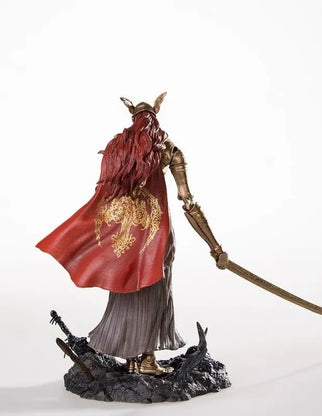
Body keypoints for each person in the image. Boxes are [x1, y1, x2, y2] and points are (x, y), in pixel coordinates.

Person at [37, 93, 227, 375]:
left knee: (127, 288)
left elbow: (104, 196)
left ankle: (132, 360)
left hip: (123, 240)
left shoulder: (117, 150)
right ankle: (146, 361)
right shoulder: (169, 150)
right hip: (155, 236)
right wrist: (215, 248)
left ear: (132, 117)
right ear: (156, 117)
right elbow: (189, 203)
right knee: (155, 290)